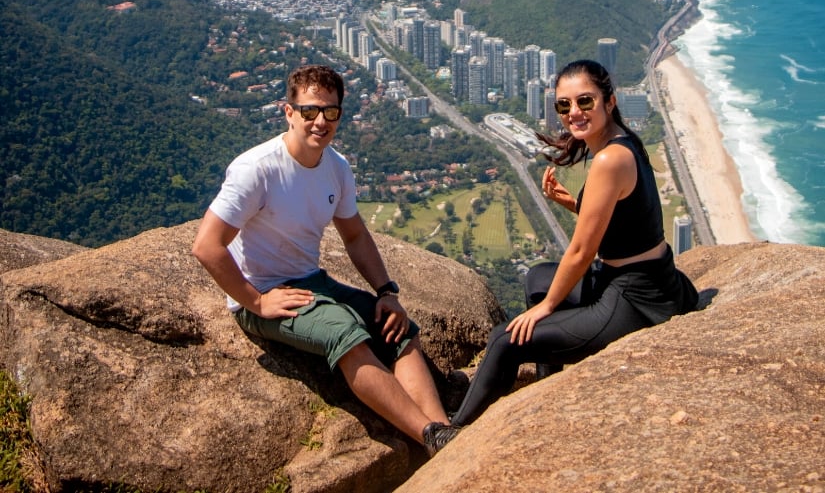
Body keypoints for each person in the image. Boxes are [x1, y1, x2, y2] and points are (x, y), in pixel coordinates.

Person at [192, 64, 460, 456]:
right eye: (310, 111)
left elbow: (354, 235)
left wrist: (386, 292)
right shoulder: (257, 169)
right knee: (345, 333)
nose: (321, 121)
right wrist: (257, 302)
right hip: (265, 292)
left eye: (330, 112)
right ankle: (428, 435)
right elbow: (206, 245)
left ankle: (444, 433)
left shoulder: (336, 167)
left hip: (311, 280)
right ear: (289, 112)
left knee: (398, 329)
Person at [451, 59, 698, 426]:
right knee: (537, 277)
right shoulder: (622, 142)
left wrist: (547, 307)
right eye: (564, 105)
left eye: (585, 101)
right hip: (646, 278)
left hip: (637, 299)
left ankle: (454, 432)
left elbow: (582, 252)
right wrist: (570, 202)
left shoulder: (610, 159)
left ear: (609, 101)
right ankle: (548, 382)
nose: (574, 112)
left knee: (505, 339)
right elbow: (624, 219)